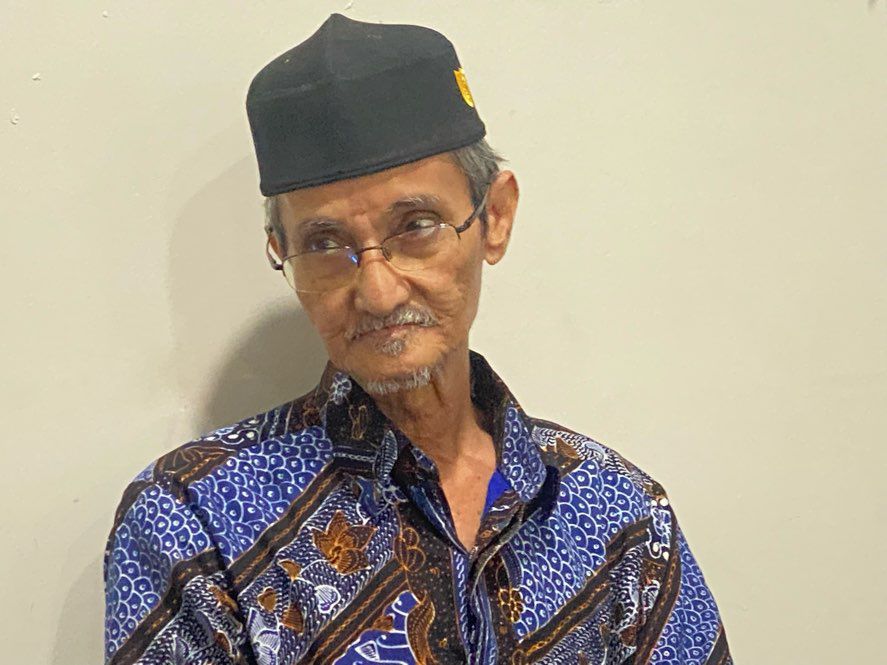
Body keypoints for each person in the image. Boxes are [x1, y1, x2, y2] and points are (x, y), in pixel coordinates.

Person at [104, 13, 732, 665]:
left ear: (494, 217)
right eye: (325, 243)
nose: (378, 292)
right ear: (281, 252)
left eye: (416, 225)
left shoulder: (616, 512)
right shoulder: (194, 522)